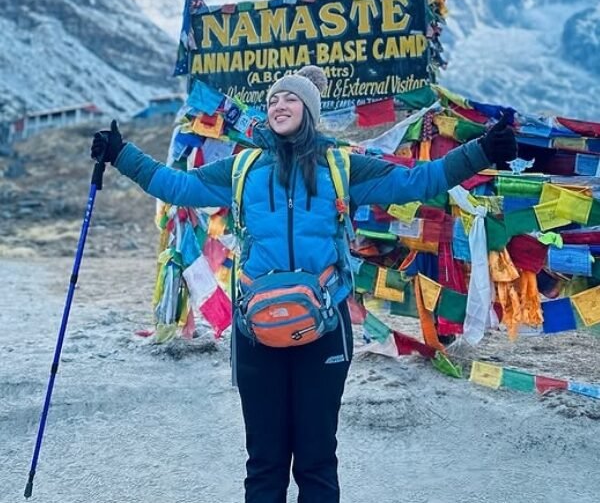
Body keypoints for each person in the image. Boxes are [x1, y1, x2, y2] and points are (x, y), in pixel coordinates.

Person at [91, 66, 516, 503]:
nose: (278, 105)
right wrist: (122, 155)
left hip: (325, 328)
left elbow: (417, 181)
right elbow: (177, 186)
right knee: (264, 461)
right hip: (256, 332)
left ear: (309, 110)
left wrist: (482, 151)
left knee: (316, 459)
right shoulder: (242, 168)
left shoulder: (342, 165)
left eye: (290, 98)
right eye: (273, 100)